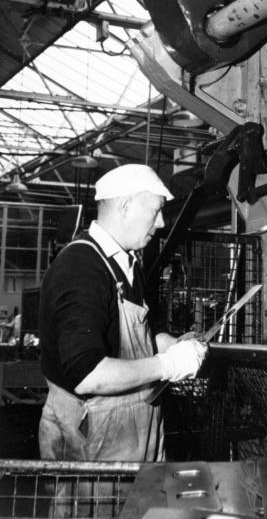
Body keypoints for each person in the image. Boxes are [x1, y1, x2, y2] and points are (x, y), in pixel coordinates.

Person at [38, 164, 208, 462]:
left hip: (132, 427)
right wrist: (167, 365)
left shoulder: (127, 264)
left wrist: (167, 344)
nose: (161, 222)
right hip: (94, 433)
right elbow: (88, 375)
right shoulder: (81, 268)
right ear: (126, 206)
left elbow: (127, 335)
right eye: (155, 211)